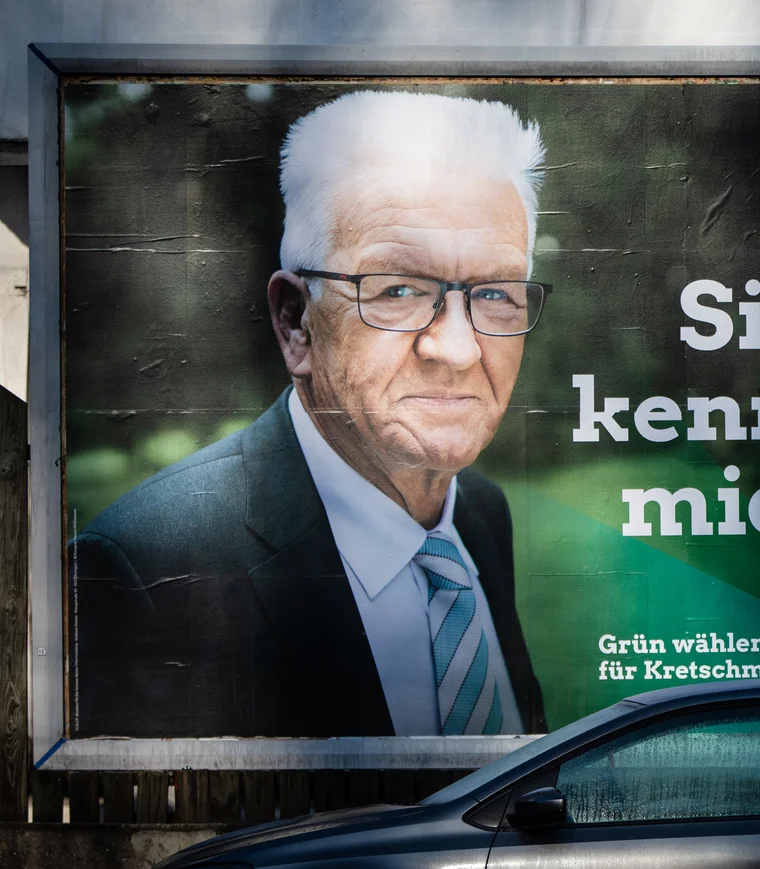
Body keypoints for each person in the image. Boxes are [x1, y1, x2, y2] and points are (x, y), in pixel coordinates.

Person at [70, 91, 550, 738]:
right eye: (399, 291)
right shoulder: (146, 571)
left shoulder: (480, 516)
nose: (458, 350)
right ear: (297, 323)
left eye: (495, 293)